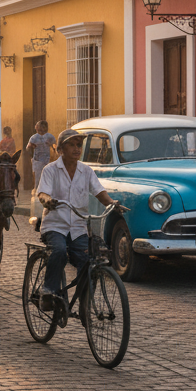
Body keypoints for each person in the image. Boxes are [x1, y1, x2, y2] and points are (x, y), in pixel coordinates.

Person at [36, 129, 118, 313]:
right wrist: (47, 200)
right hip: (55, 225)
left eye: (78, 145)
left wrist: (112, 203)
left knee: (88, 261)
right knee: (58, 251)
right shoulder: (50, 170)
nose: (76, 149)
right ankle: (48, 291)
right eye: (71, 145)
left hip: (78, 227)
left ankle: (84, 302)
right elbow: (42, 192)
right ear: (60, 149)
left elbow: (99, 192)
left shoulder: (86, 171)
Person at [27, 120, 56, 191]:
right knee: (38, 177)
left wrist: (52, 148)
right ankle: (38, 191)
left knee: (46, 176)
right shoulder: (34, 137)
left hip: (47, 160)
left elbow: (55, 147)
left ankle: (45, 191)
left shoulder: (50, 137)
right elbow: (28, 148)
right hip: (37, 160)